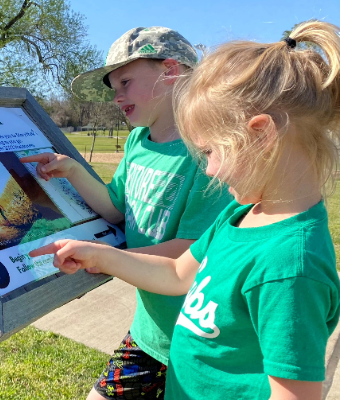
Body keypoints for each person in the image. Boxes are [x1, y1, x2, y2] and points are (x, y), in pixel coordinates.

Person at [30, 20, 340, 399]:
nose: (207, 168)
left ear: (260, 136)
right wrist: (98, 255)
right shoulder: (239, 217)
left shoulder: (290, 269)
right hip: (160, 341)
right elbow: (179, 272)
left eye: (210, 152)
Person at [20, 27, 232, 399]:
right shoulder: (137, 141)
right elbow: (115, 207)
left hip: (207, 337)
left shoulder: (208, 153)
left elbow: (191, 251)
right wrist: (71, 169)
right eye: (113, 87)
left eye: (126, 82)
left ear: (170, 71)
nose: (116, 97)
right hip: (152, 329)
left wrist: (108, 259)